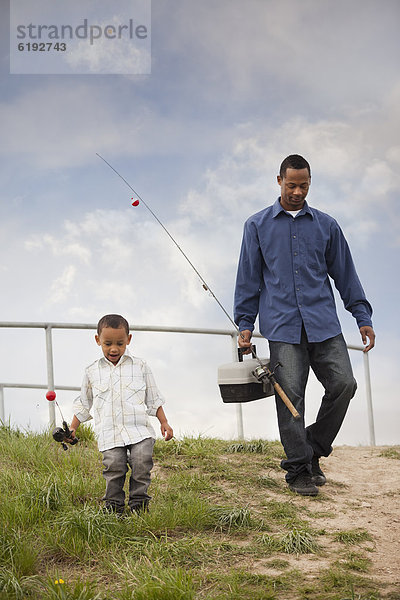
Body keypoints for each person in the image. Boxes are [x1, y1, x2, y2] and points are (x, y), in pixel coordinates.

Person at [234, 154, 375, 496]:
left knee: (345, 384)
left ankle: (312, 449)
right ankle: (298, 469)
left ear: (310, 183)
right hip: (282, 328)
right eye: (291, 184)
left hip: (324, 324)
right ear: (279, 180)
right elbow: (248, 278)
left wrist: (362, 316)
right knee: (291, 398)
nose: (297, 191)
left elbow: (345, 274)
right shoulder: (256, 225)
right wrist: (244, 323)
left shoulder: (327, 225)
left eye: (304, 185)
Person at [69, 314, 173, 514]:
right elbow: (84, 403)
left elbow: (153, 398)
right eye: (107, 343)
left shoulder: (140, 366)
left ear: (129, 339)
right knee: (114, 467)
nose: (114, 349)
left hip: (139, 430)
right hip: (110, 433)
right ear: (98, 340)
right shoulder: (91, 371)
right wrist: (73, 428)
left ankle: (139, 506)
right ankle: (114, 507)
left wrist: (164, 422)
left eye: (120, 343)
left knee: (142, 464)